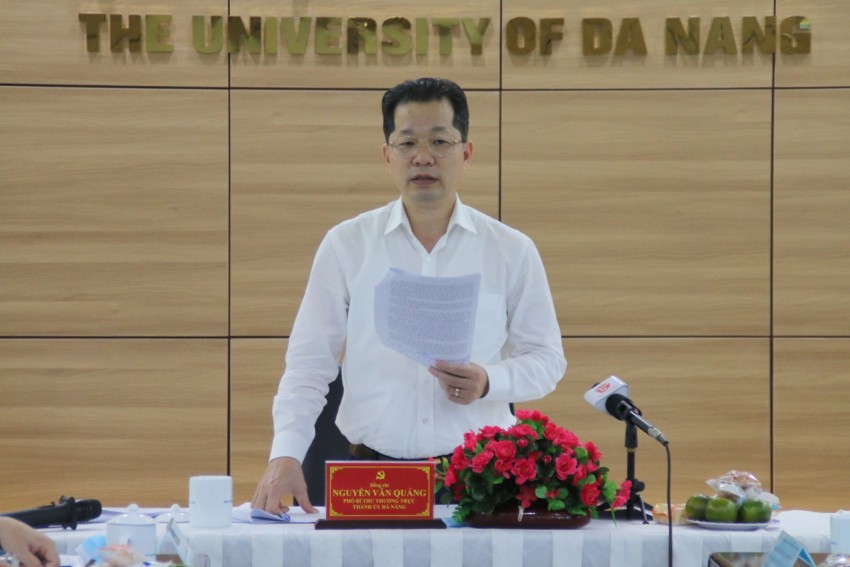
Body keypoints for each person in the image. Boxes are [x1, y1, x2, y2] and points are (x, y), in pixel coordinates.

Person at [252, 77, 566, 514]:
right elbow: (309, 363)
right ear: (387, 155)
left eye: (439, 141)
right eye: (407, 143)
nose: (423, 157)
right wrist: (285, 453)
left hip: (478, 482)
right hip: (371, 478)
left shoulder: (510, 249)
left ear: (466, 152)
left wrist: (489, 380)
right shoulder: (348, 244)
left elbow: (547, 360)